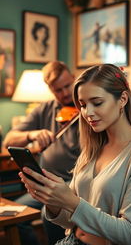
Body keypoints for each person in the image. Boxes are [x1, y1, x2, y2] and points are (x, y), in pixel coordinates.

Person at [18, 63, 131, 245]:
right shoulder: (93, 148)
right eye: (83, 105)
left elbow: (130, 234)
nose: (88, 113)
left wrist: (71, 201)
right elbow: (71, 222)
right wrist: (52, 200)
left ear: (123, 99)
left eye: (97, 103)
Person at [3, 61, 80, 245]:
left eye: (67, 86)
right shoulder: (45, 109)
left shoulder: (86, 109)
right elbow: (9, 140)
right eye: (57, 90)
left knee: (48, 214)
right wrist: (32, 134)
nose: (65, 94)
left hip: (73, 184)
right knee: (18, 214)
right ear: (51, 90)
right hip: (44, 183)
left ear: (73, 78)